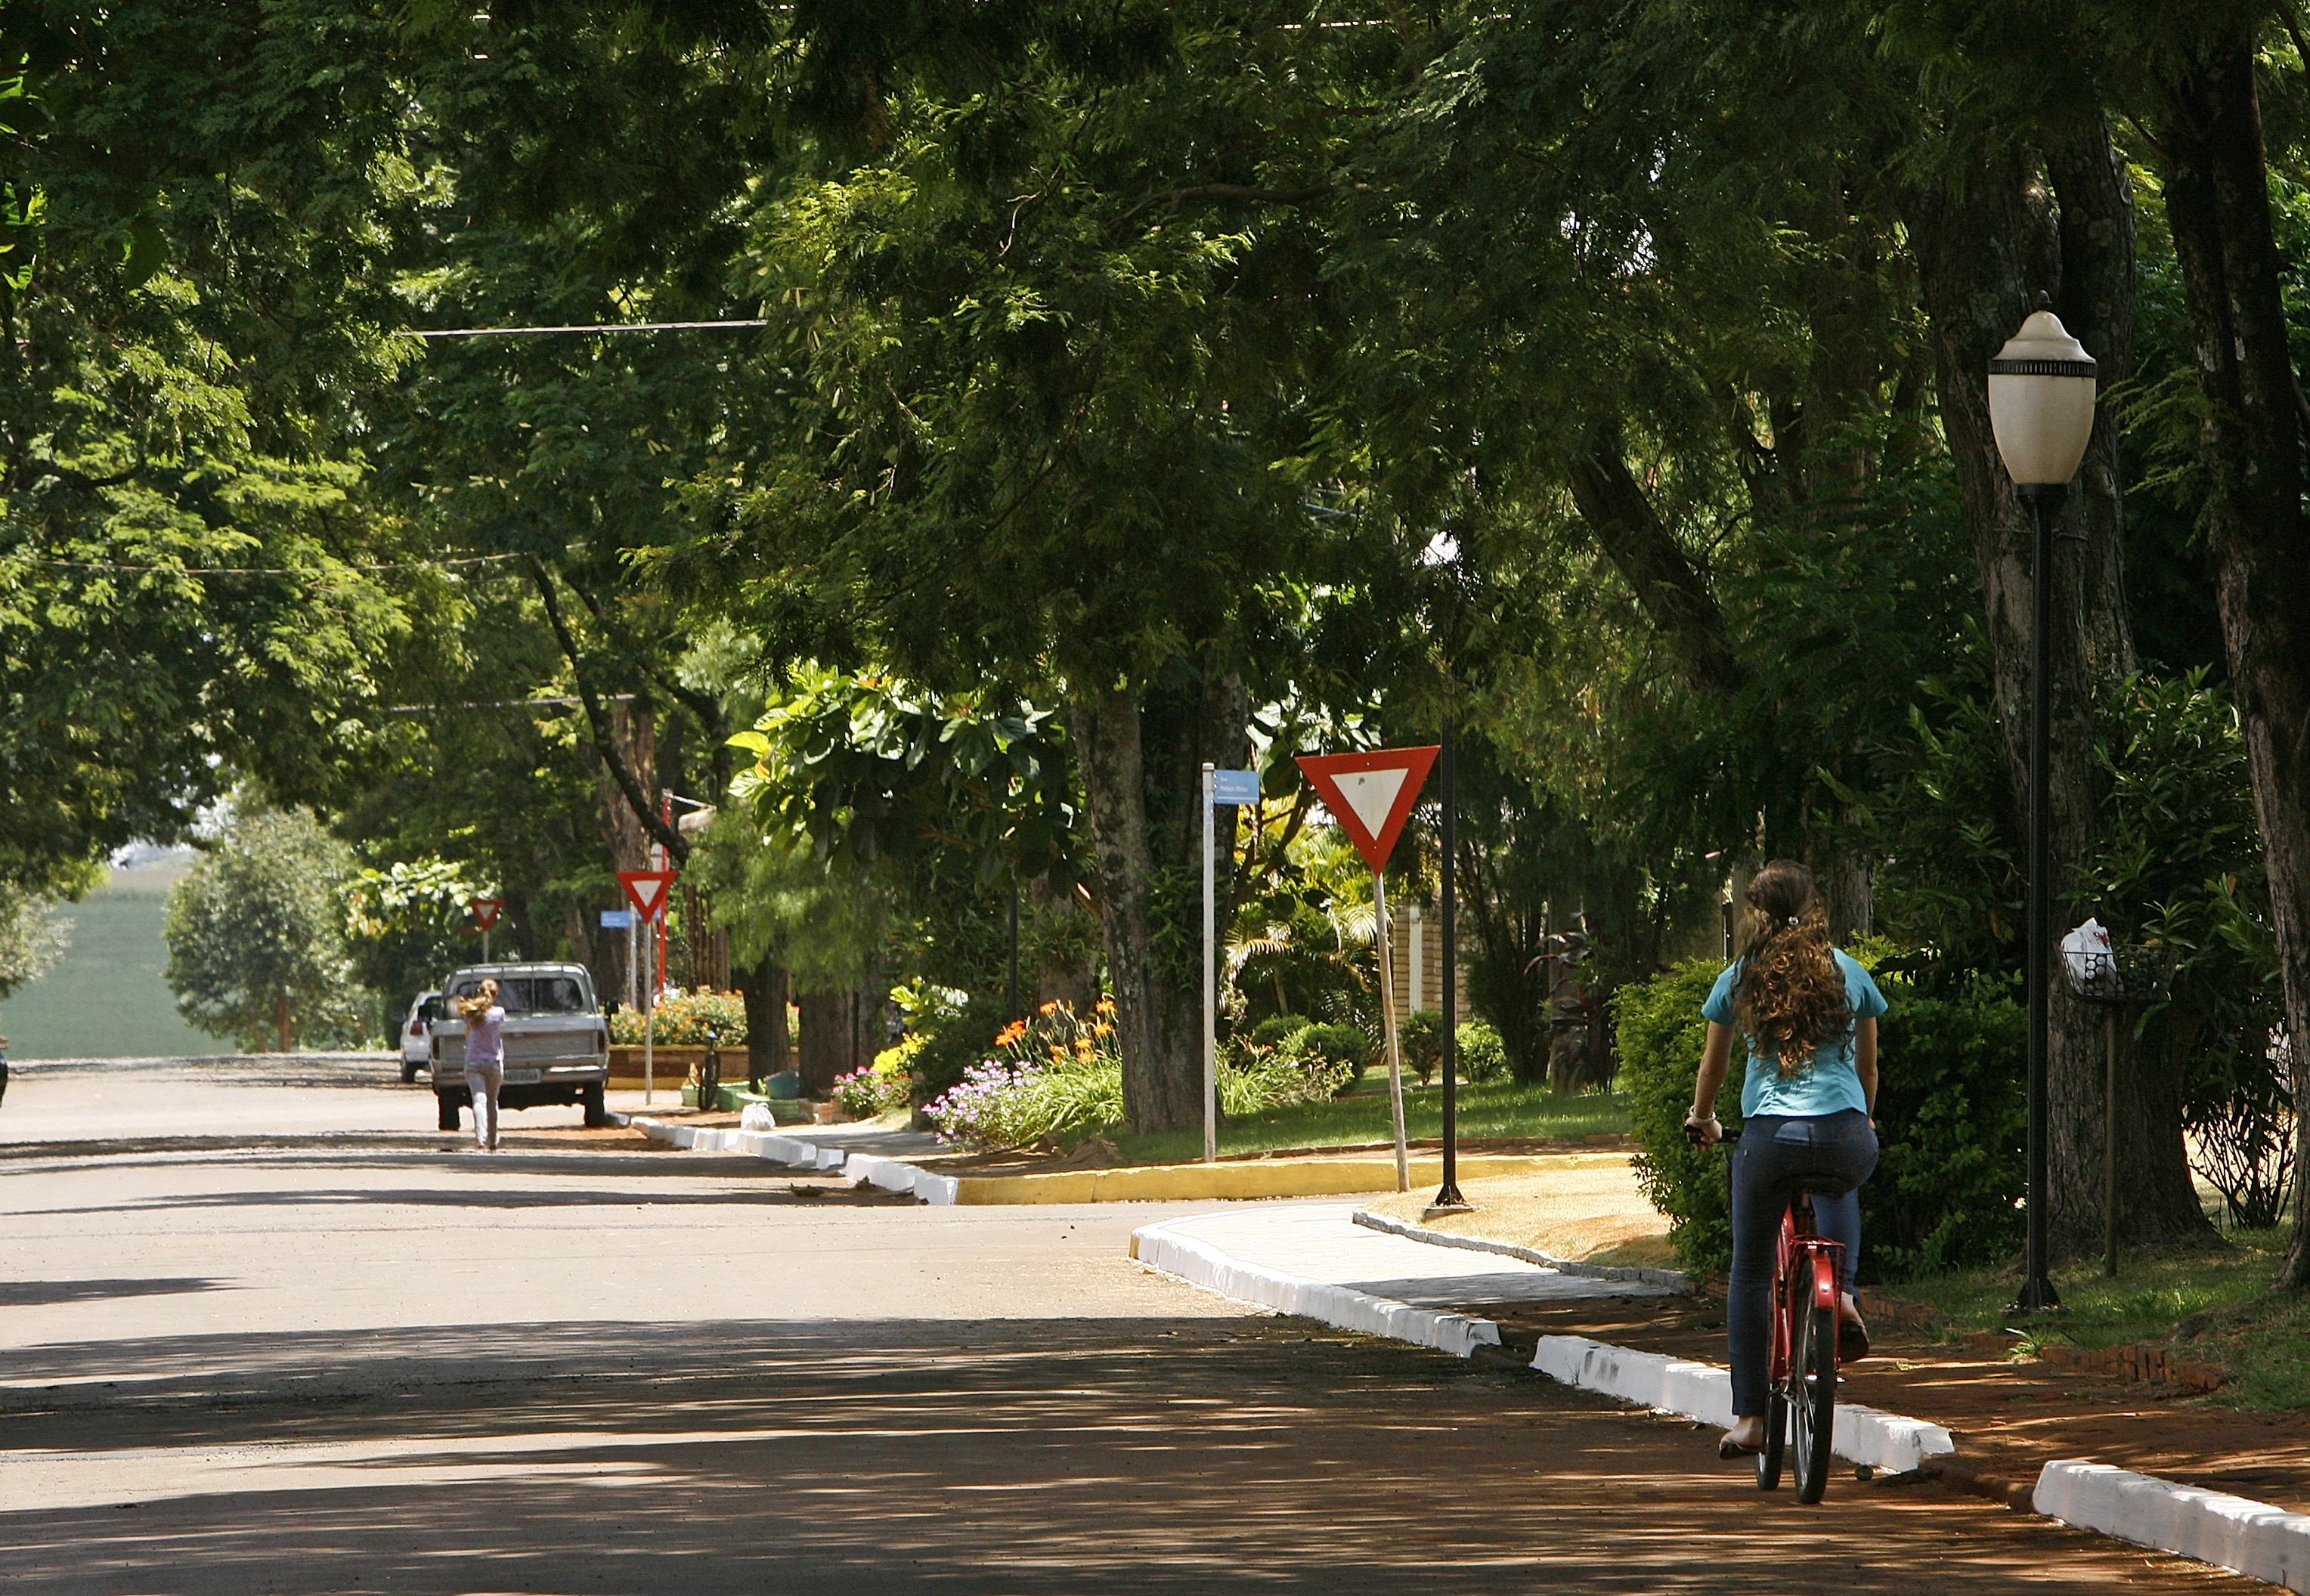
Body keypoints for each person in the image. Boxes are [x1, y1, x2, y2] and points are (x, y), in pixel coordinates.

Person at [1684, 859, 1887, 1461]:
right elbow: (1868, 1070)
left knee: (1749, 1271)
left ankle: (1750, 1419)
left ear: (1754, 914)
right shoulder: (1849, 972)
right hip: (1847, 1133)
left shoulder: (1740, 977)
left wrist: (1703, 1118)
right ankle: (1844, 1294)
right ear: (1815, 907)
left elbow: (1712, 1069)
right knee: (1840, 1176)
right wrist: (1862, 1121)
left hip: (1769, 1139)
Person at [458, 979, 507, 1152]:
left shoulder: (471, 1014)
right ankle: (493, 1140)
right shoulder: (499, 1013)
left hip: (474, 1062)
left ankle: (480, 1138)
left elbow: (467, 1033)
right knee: (492, 1102)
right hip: (493, 1061)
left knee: (479, 1100)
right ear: (495, 995)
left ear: (479, 992)